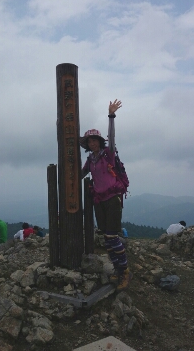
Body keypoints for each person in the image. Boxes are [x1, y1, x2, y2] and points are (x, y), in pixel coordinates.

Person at [80, 99, 132, 291]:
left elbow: (112, 135)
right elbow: (80, 174)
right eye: (89, 141)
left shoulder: (107, 153)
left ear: (99, 142)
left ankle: (124, 271)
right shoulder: (90, 160)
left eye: (94, 140)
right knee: (106, 237)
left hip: (112, 199)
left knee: (112, 236)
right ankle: (118, 270)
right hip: (99, 201)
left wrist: (111, 116)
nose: (92, 143)